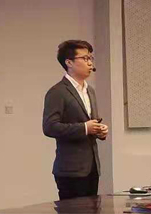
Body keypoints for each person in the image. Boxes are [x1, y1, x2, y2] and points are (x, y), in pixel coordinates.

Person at [42, 40, 109, 200]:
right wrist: (84, 128)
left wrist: (99, 131)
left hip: (92, 167)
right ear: (69, 62)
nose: (90, 63)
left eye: (90, 58)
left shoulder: (90, 91)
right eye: (85, 58)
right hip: (70, 170)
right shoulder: (57, 92)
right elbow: (49, 127)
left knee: (92, 209)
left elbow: (90, 122)